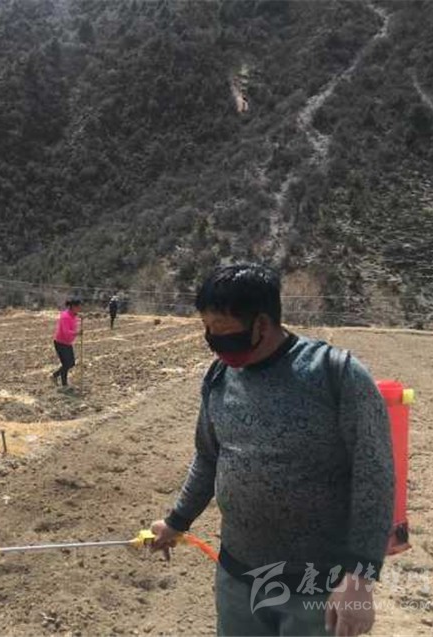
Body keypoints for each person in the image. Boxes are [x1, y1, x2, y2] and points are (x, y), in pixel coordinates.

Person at [149, 264, 394, 637]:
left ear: (262, 324)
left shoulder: (336, 375)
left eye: (223, 329)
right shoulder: (218, 377)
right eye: (207, 329)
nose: (214, 341)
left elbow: (374, 476)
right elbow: (208, 458)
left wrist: (360, 577)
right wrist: (176, 522)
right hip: (238, 579)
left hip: (317, 587)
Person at [51, 298, 82, 387]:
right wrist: (77, 333)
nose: (80, 309)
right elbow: (66, 332)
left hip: (67, 343)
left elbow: (74, 319)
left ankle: (56, 377)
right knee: (67, 364)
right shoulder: (65, 316)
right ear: (73, 307)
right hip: (60, 342)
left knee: (70, 363)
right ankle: (62, 382)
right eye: (78, 307)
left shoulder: (73, 315)